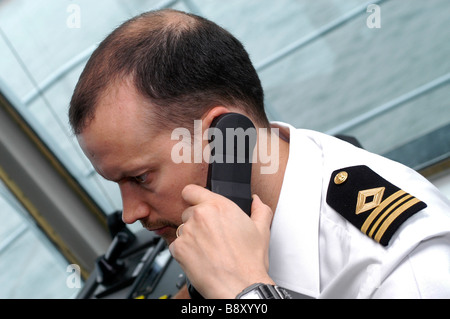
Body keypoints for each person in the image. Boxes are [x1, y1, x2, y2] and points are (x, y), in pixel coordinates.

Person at [69, 9, 450, 299]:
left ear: (226, 139)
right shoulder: (214, 220)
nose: (131, 213)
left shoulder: (406, 266)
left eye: (140, 178)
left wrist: (244, 291)